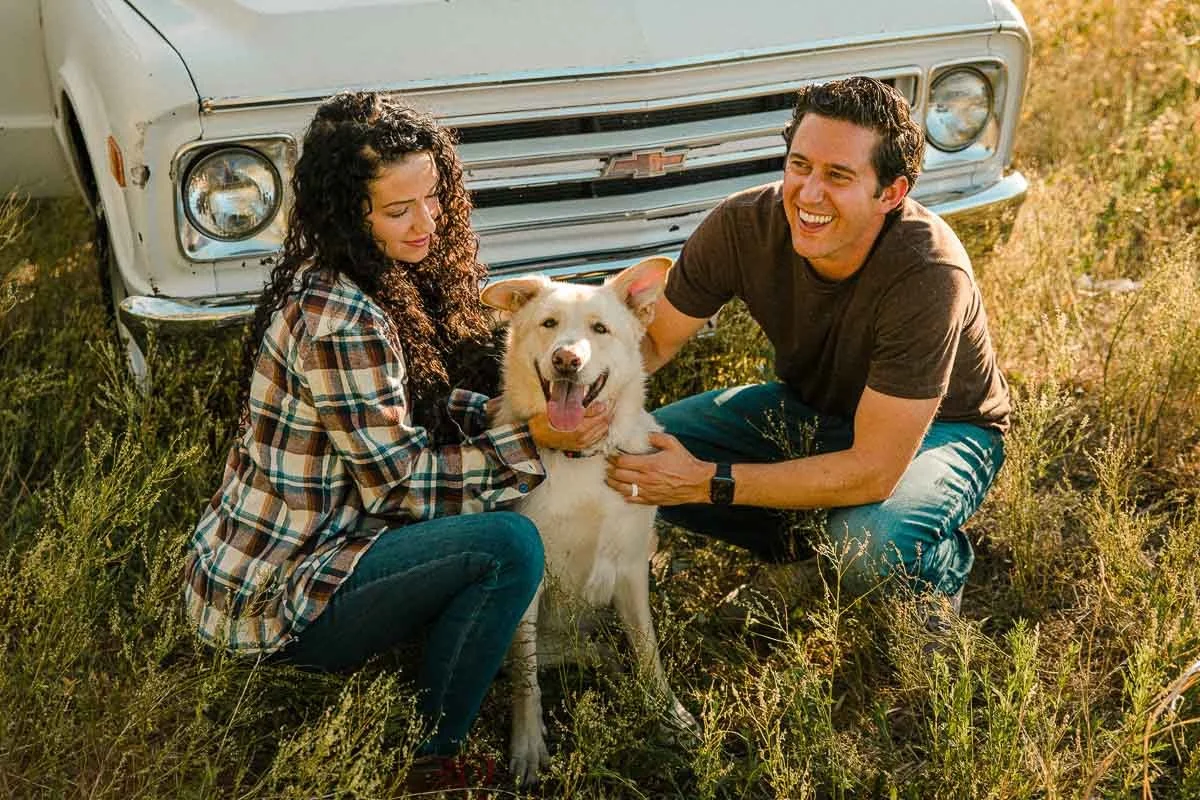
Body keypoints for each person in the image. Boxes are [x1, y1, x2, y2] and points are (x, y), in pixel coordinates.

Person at [181, 91, 609, 783]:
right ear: (350, 214)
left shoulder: (373, 281)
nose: (427, 224)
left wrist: (507, 412)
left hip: (304, 552)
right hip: (276, 599)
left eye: (433, 199)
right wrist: (533, 442)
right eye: (397, 211)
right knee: (507, 546)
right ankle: (430, 760)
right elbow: (403, 484)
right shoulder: (343, 318)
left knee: (492, 497)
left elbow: (417, 408)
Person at [605, 76, 1010, 617]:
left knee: (870, 545)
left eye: (838, 176)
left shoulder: (929, 270)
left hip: (943, 430)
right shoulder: (742, 223)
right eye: (800, 165)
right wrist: (580, 399)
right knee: (636, 454)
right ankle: (809, 557)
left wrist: (709, 483)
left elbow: (875, 468)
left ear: (891, 193)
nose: (809, 194)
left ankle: (935, 567)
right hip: (813, 410)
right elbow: (652, 341)